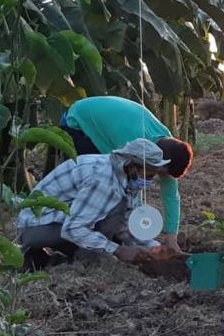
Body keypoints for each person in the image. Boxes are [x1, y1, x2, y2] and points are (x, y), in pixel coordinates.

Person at [59, 96, 193, 257]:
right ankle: (87, 242)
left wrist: (172, 238)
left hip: (113, 119)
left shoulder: (169, 147)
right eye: (160, 172)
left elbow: (171, 195)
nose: (159, 177)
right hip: (78, 121)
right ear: (158, 160)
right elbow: (129, 188)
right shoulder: (132, 142)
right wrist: (138, 237)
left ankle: (110, 235)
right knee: (103, 186)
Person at [17, 139, 168, 268]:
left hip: (57, 222)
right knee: (115, 208)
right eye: (148, 175)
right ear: (132, 167)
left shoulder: (124, 176)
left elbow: (124, 223)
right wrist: (117, 250)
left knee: (116, 210)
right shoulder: (103, 181)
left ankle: (44, 259)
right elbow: (72, 229)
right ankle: (87, 260)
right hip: (36, 227)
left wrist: (154, 248)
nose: (149, 181)